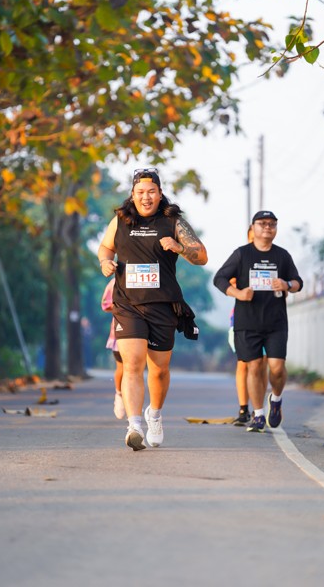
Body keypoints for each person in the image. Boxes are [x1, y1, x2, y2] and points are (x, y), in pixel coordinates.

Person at [98, 167, 208, 451]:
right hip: (128, 304)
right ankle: (134, 425)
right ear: (132, 195)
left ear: (160, 194)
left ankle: (154, 414)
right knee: (133, 364)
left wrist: (179, 247)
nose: (145, 197)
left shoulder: (173, 222)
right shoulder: (120, 220)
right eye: (140, 192)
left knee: (159, 370)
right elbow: (105, 248)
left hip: (163, 305)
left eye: (151, 192)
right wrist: (105, 262)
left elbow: (202, 256)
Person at [214, 210, 303, 433]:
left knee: (277, 368)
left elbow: (298, 282)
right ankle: (258, 414)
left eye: (272, 224)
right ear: (252, 228)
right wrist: (238, 293)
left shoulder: (282, 256)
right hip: (247, 321)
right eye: (262, 223)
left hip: (275, 322)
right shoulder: (241, 254)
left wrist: (286, 285)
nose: (267, 227)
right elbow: (219, 278)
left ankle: (276, 399)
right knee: (253, 367)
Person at [228, 225, 268, 427]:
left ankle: (258, 410)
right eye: (254, 237)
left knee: (262, 365)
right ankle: (243, 409)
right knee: (244, 363)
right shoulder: (241, 258)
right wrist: (242, 288)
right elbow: (228, 282)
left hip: (267, 319)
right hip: (242, 318)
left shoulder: (273, 259)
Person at [101, 277, 125, 420]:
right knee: (121, 367)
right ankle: (119, 394)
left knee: (137, 367)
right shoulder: (116, 281)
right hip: (121, 328)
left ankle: (133, 400)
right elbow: (105, 304)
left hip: (143, 329)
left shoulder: (147, 276)